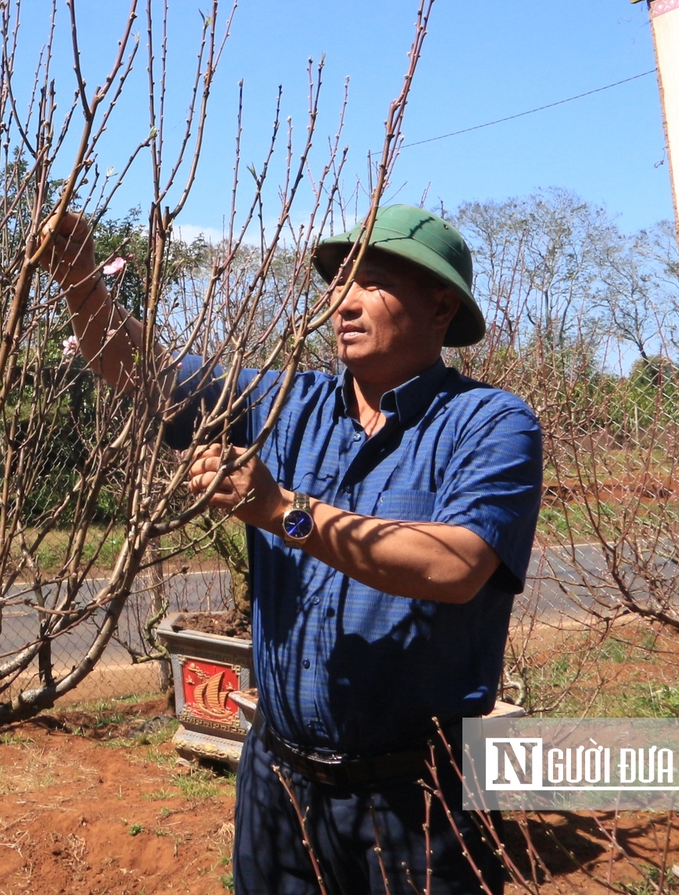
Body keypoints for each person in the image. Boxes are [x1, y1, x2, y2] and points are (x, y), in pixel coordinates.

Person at [41, 204, 542, 895]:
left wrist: (286, 513)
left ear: (441, 305)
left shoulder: (488, 423)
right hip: (278, 782)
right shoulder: (284, 403)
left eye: (371, 282)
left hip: (418, 798)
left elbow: (457, 566)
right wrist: (81, 284)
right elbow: (143, 371)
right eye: (338, 283)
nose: (343, 301)